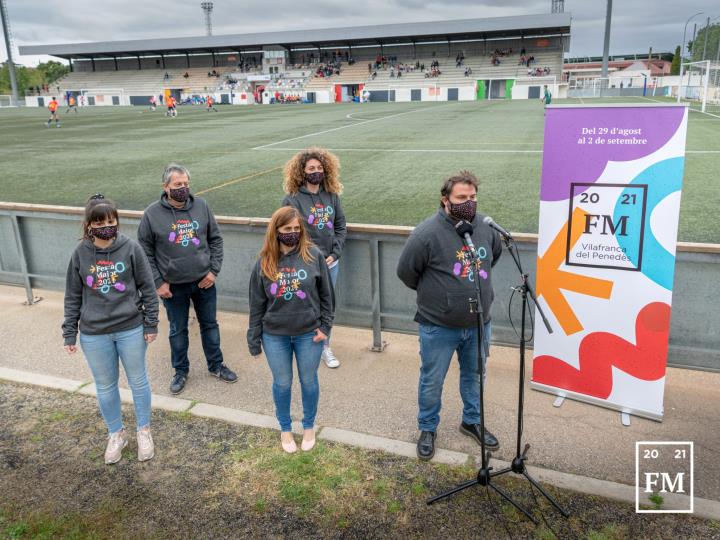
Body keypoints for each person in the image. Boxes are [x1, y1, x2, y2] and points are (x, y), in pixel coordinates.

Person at [396, 171, 502, 461]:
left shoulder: (486, 227)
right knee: (432, 379)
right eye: (461, 198)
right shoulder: (426, 234)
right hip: (438, 326)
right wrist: (441, 297)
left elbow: (494, 255)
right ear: (445, 200)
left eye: (472, 198)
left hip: (479, 323)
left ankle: (472, 420)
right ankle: (428, 428)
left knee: (475, 376)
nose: (468, 203)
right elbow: (407, 272)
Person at [62, 194, 159, 465]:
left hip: (130, 328)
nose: (107, 226)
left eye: (112, 221)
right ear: (90, 225)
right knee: (105, 386)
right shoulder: (80, 253)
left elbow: (148, 288)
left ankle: (144, 430)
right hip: (94, 334)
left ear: (117, 222)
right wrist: (70, 331)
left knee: (138, 382)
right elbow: (72, 295)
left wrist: (151, 322)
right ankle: (116, 433)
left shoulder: (131, 248)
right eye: (101, 222)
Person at [137, 164, 237, 395]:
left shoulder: (201, 206)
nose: (183, 188)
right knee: (177, 330)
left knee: (210, 325)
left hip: (204, 282)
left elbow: (216, 240)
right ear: (166, 187)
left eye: (186, 184)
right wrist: (158, 282)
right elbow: (145, 251)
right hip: (172, 287)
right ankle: (180, 371)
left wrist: (213, 271)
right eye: (177, 185)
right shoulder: (152, 214)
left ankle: (216, 365)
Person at [247, 206, 334, 453]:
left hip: (309, 334)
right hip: (274, 336)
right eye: (287, 229)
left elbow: (328, 296)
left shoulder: (314, 255)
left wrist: (325, 327)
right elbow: (256, 304)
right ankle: (285, 428)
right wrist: (253, 339)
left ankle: (308, 426)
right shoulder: (264, 261)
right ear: (276, 231)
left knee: (309, 381)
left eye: (297, 229)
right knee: (282, 383)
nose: (293, 233)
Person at [281, 148, 346, 369]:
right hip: (306, 263)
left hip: (330, 263)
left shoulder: (332, 196)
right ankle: (305, 345)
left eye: (319, 168)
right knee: (307, 304)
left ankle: (325, 347)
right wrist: (308, 257)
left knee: (327, 305)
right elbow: (287, 233)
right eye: (311, 168)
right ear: (302, 172)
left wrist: (334, 253)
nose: (316, 172)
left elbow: (340, 227)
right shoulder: (292, 200)